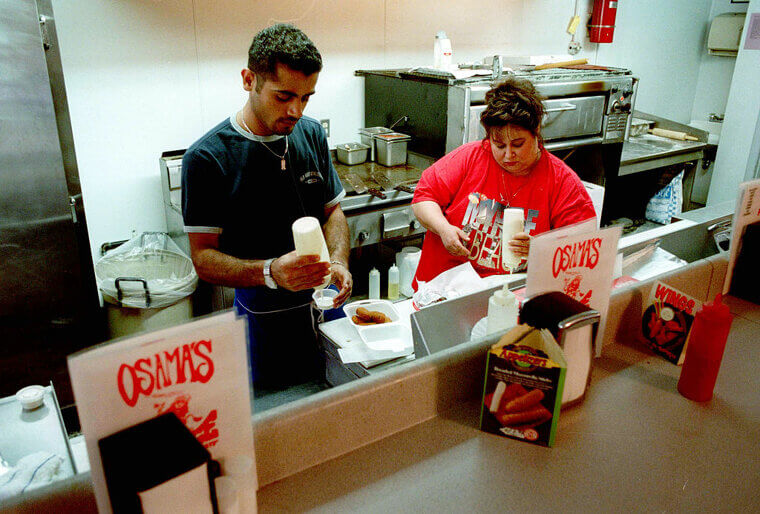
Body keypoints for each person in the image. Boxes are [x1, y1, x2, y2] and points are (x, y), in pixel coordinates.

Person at [181, 24, 352, 392]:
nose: (296, 109)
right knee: (278, 413)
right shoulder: (209, 158)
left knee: (339, 397)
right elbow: (203, 258)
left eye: (306, 98)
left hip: (326, 306)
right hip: (264, 316)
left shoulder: (309, 134)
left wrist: (338, 261)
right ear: (248, 80)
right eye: (284, 96)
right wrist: (271, 272)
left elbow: (333, 212)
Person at [412, 77, 596, 288]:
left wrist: (540, 249)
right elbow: (423, 199)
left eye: (518, 144)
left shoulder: (561, 180)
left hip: (512, 293)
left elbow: (584, 246)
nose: (508, 155)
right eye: (498, 145)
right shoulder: (470, 157)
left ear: (536, 133)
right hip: (445, 289)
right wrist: (443, 229)